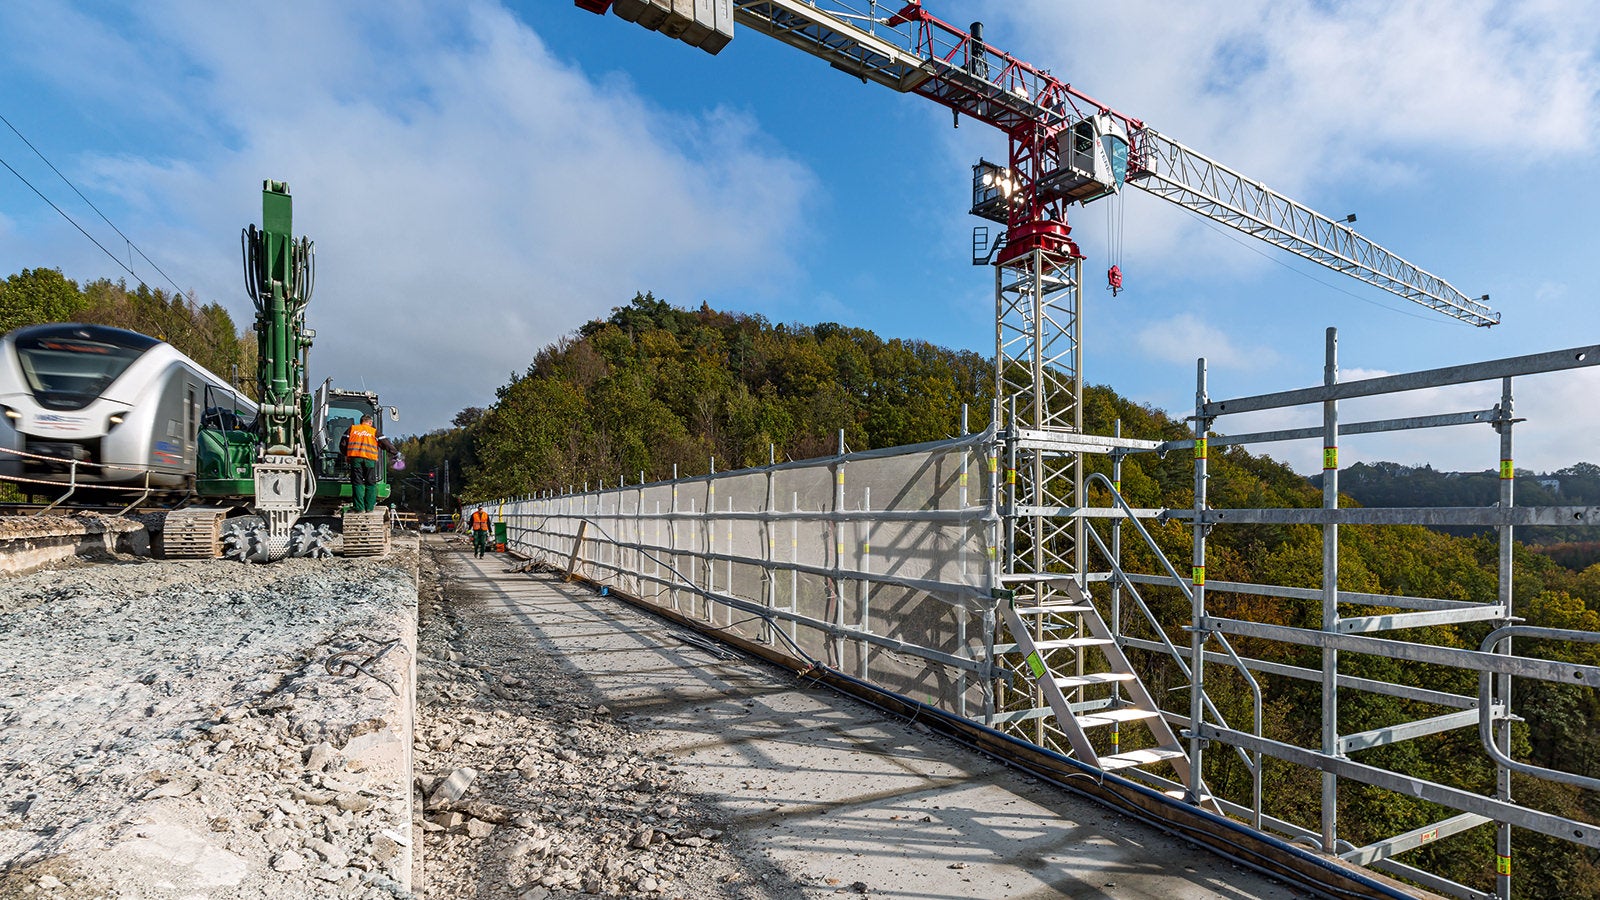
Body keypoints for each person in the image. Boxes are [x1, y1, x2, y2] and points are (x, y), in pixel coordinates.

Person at [340, 414, 396, 513]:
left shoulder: (352, 429)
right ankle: (369, 507)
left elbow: (343, 444)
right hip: (369, 460)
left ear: (361, 421)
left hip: (355, 459)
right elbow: (386, 444)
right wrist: (395, 452)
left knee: (357, 482)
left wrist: (346, 455)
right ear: (370, 422)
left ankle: (359, 508)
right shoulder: (373, 431)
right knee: (371, 483)